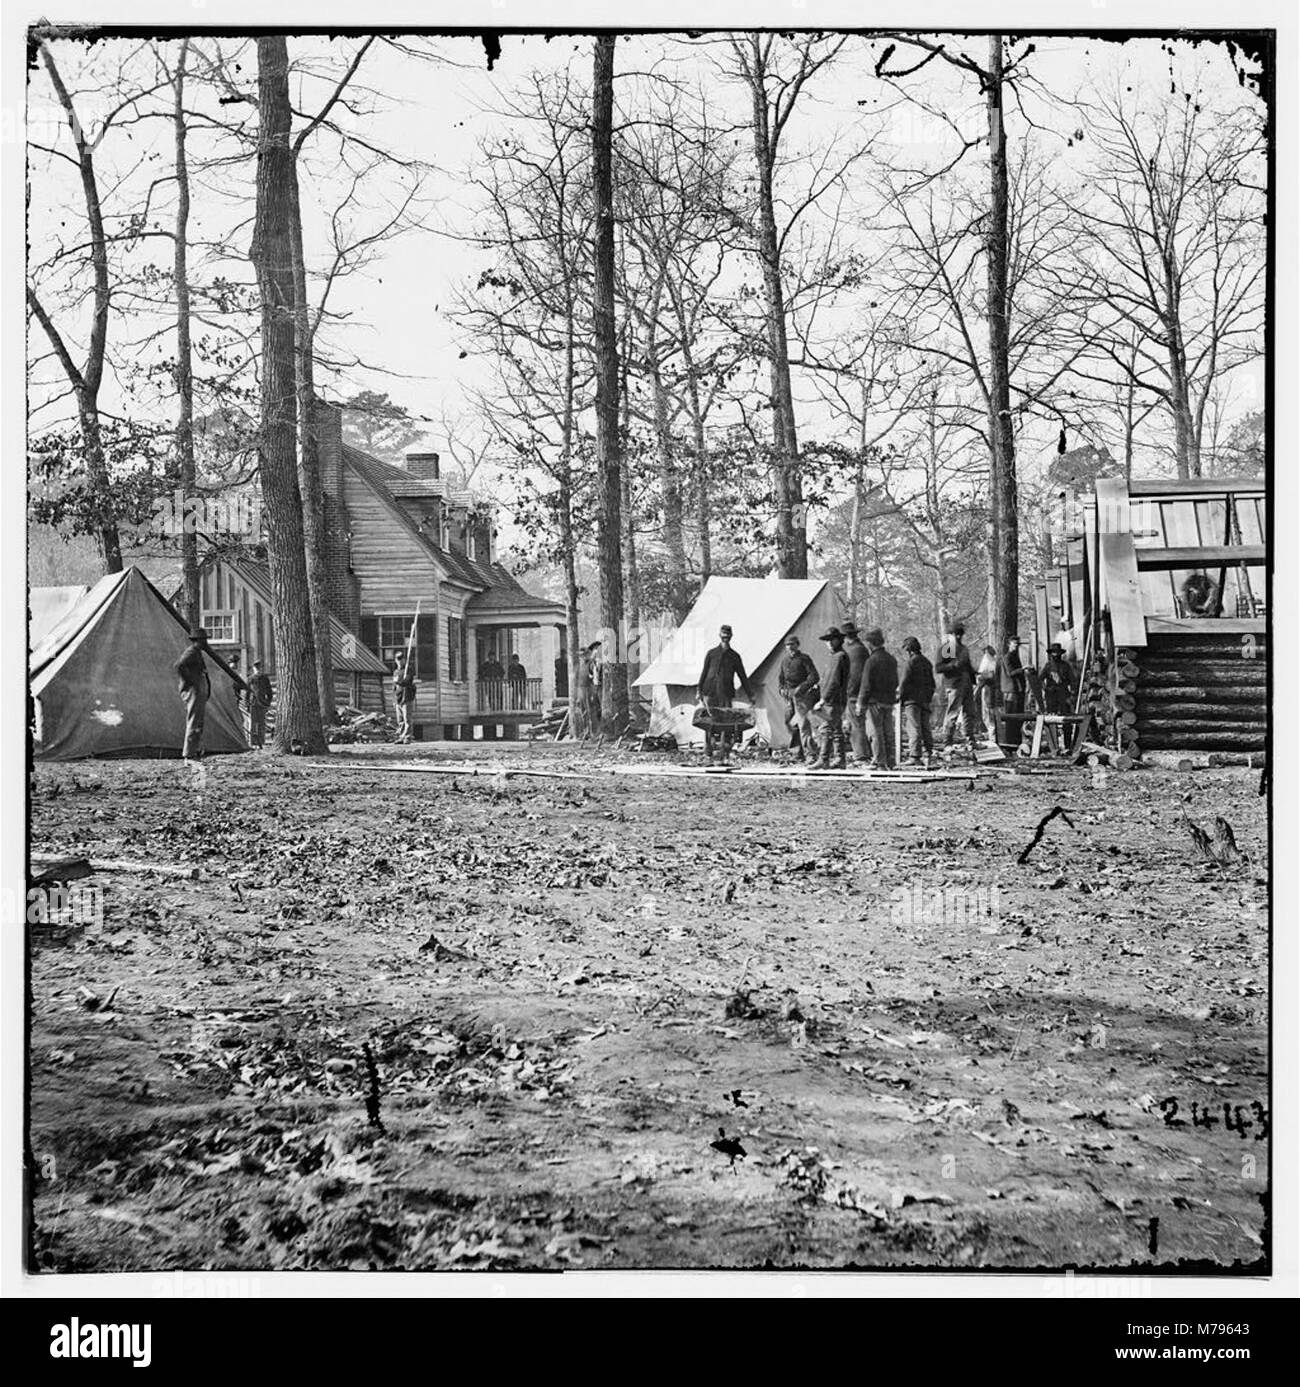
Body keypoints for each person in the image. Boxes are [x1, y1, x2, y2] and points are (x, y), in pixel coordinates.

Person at [697, 624, 755, 761]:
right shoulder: (711, 653)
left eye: (728, 635)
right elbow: (704, 672)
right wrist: (699, 690)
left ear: (731, 636)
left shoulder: (734, 656)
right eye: (723, 635)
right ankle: (708, 750)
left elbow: (743, 676)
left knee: (725, 722)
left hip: (725, 692)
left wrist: (750, 694)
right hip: (709, 690)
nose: (725, 638)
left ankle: (724, 749)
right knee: (708, 720)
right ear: (719, 635)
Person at [856, 627, 898, 770]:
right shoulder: (891, 660)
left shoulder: (871, 661)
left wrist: (861, 703)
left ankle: (879, 762)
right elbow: (895, 681)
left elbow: (866, 684)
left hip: (874, 702)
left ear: (870, 643)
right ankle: (891, 762)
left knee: (875, 732)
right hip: (888, 701)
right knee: (888, 732)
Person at [934, 621, 977, 760]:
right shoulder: (947, 648)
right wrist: (953, 665)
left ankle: (970, 741)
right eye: (956, 634)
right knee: (952, 714)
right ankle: (948, 742)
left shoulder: (964, 649)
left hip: (967, 684)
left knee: (969, 713)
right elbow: (939, 668)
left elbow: (968, 666)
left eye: (960, 635)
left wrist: (975, 675)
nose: (958, 637)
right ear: (950, 635)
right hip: (954, 684)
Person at [777, 633, 819, 764]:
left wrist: (800, 689)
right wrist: (782, 689)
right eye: (787, 645)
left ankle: (810, 754)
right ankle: (797, 753)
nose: (790, 648)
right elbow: (781, 679)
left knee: (803, 725)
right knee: (790, 723)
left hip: (802, 697)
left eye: (792, 645)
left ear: (797, 645)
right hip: (789, 698)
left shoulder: (804, 659)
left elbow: (814, 677)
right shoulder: (784, 661)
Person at [811, 626, 849, 770]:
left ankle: (824, 759)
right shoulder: (835, 657)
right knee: (837, 730)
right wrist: (819, 684)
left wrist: (823, 700)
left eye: (832, 640)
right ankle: (840, 759)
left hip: (833, 700)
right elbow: (828, 678)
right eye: (827, 640)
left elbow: (834, 681)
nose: (829, 643)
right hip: (836, 699)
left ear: (839, 640)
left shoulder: (839, 657)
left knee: (825, 729)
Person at [898, 636, 936, 768]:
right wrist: (928, 697)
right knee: (926, 728)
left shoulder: (910, 663)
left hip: (912, 701)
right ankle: (929, 754)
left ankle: (915, 756)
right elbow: (932, 684)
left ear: (909, 650)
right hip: (924, 700)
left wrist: (899, 697)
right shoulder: (927, 662)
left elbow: (904, 683)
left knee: (913, 728)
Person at [174, 627, 211, 762]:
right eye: (203, 640)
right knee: (194, 720)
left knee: (198, 721)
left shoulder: (197, 652)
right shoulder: (191, 652)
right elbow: (179, 665)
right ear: (198, 641)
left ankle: (194, 750)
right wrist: (190, 682)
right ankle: (188, 753)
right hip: (193, 691)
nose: (205, 642)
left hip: (198, 690)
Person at [840, 621, 870, 763]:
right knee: (859, 723)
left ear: (847, 637)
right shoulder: (859, 649)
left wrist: (849, 692)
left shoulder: (856, 651)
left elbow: (856, 675)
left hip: (855, 693)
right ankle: (864, 751)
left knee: (856, 724)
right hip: (859, 692)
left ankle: (861, 754)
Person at [1040, 642, 1076, 716]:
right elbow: (1040, 679)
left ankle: (1067, 727)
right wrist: (1045, 688)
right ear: (1051, 654)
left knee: (1065, 714)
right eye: (1054, 653)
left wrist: (1072, 693)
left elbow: (1072, 680)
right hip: (1051, 694)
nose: (1056, 655)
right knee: (1051, 715)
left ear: (1060, 653)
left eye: (1058, 653)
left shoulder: (1066, 665)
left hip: (1063, 693)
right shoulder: (1048, 666)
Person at [996, 635, 1027, 720]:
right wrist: (1023, 669)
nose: (1016, 645)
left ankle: (1016, 733)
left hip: (1017, 689)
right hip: (1010, 690)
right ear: (1009, 644)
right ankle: (1010, 733)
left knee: (1019, 714)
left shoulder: (1015, 656)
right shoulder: (1007, 657)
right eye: (1014, 643)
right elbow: (1011, 672)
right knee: (1011, 715)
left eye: (1018, 644)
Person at [247, 658, 274, 751]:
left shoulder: (265, 678)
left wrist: (268, 703)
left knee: (262, 723)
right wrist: (247, 704)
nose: (257, 669)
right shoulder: (250, 679)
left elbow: (269, 692)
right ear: (253, 669)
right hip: (253, 703)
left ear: (261, 668)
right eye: (256, 667)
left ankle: (262, 741)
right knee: (253, 724)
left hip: (262, 703)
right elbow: (247, 692)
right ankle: (253, 742)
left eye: (259, 667)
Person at [976, 643, 998, 743]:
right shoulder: (991, 662)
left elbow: (986, 676)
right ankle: (991, 736)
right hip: (989, 692)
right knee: (988, 715)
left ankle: (993, 738)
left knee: (989, 716)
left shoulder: (989, 663)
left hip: (989, 693)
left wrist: (980, 679)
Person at [393, 654, 417, 739]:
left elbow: (406, 681)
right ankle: (401, 737)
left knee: (407, 719)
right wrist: (394, 700)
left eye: (401, 659)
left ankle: (407, 737)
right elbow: (395, 687)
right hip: (398, 698)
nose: (399, 661)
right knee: (400, 720)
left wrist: (398, 681)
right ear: (396, 661)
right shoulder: (396, 672)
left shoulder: (408, 670)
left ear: (404, 660)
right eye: (398, 659)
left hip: (406, 696)